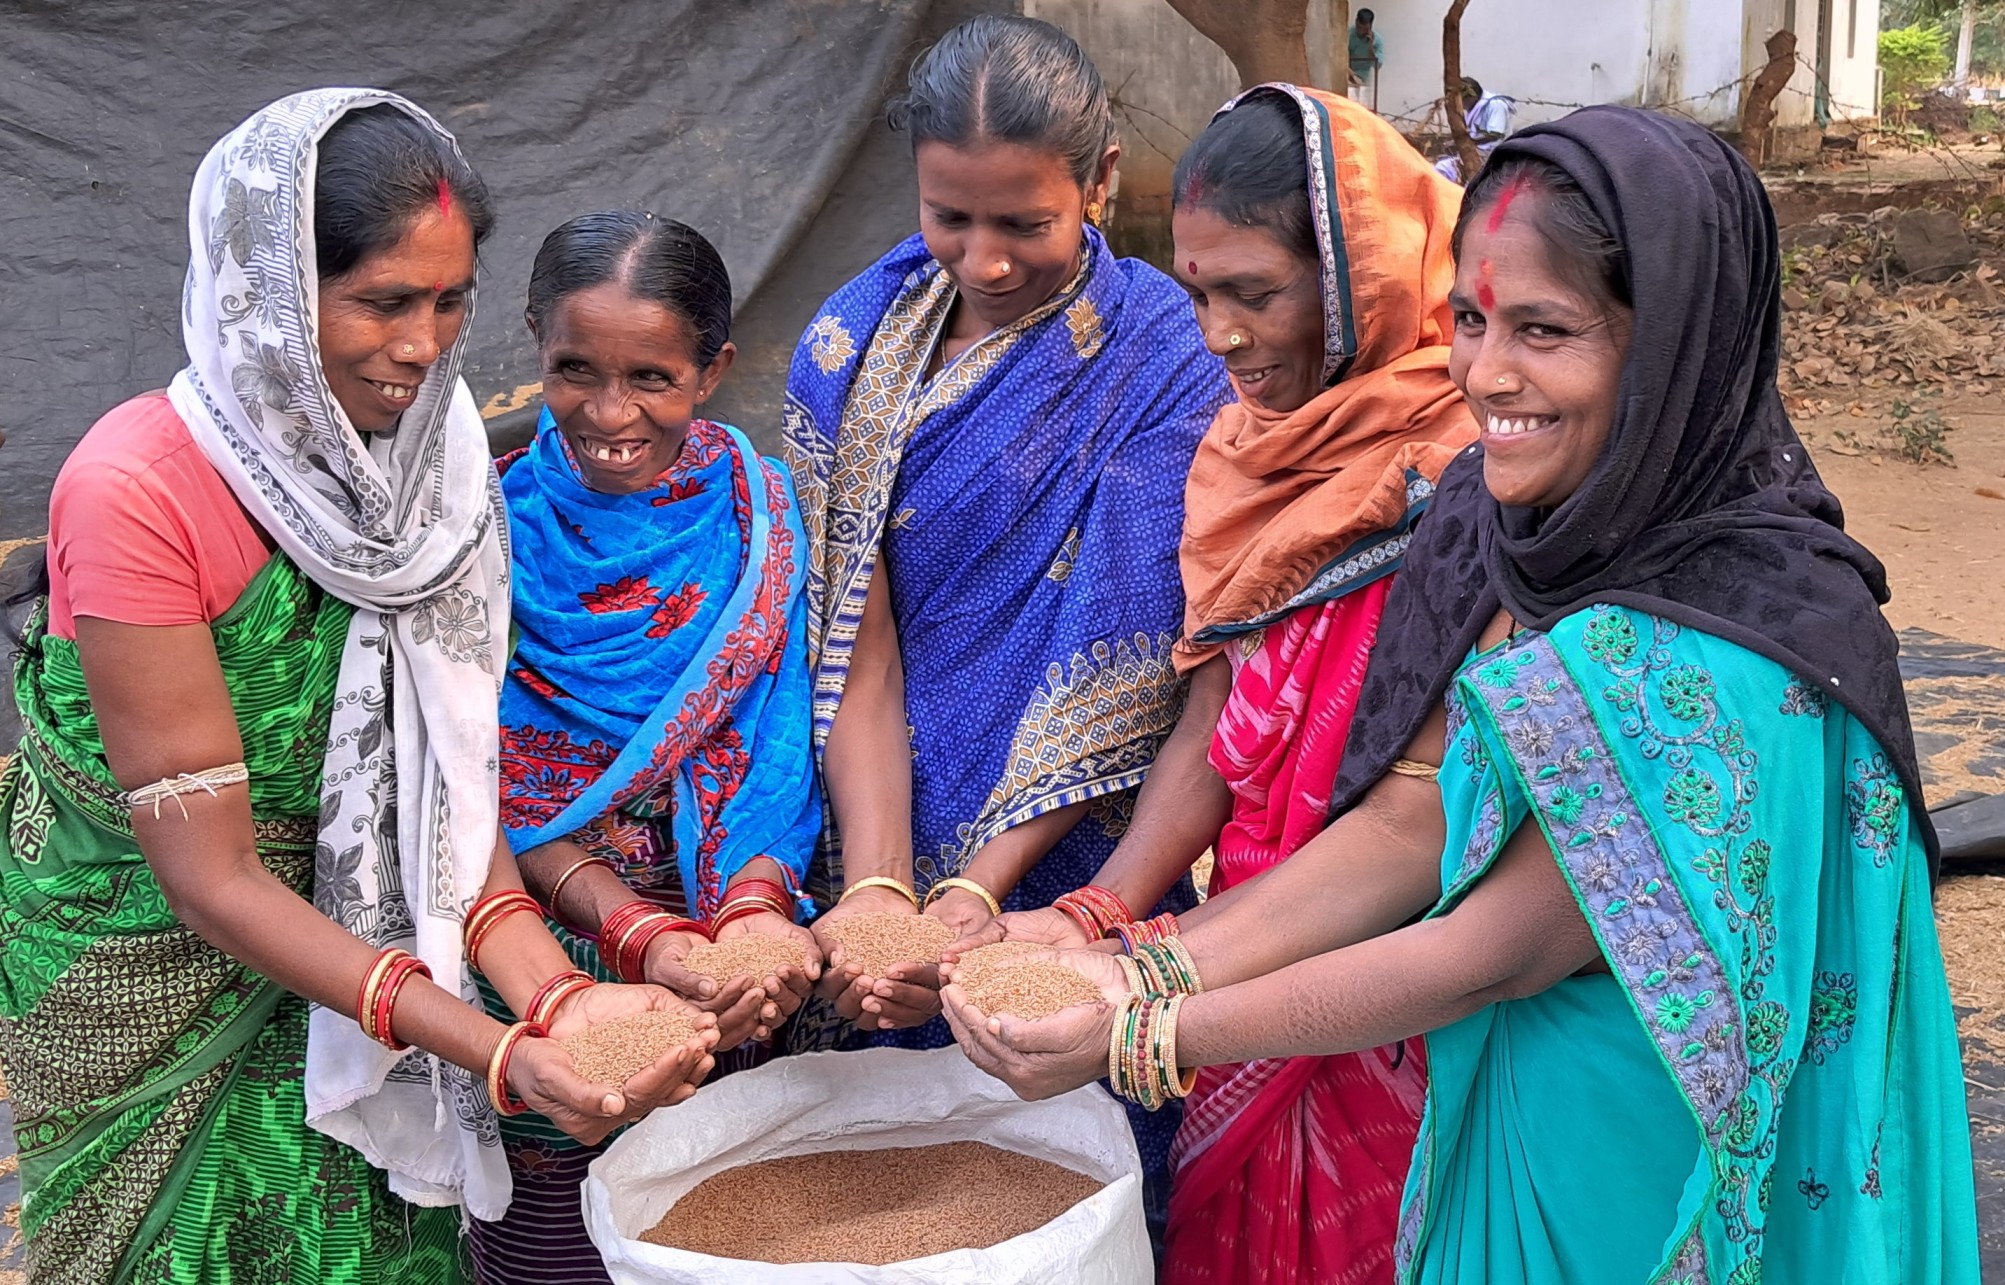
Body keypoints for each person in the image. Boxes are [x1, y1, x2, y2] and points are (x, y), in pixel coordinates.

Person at [943, 106, 1981, 1284]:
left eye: (1545, 329)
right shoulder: (1505, 530)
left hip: (1653, 1168)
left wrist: (1141, 1031)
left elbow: (1503, 945)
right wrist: (1141, 960)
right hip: (1507, 1115)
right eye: (1471, 320)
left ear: (1677, 342)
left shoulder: (1740, 635)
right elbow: (1407, 817)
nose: (1486, 376)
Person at [0, 92, 711, 1283]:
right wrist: (492, 1049)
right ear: (268, 293)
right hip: (155, 973)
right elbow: (212, 877)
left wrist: (550, 1004)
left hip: (379, 975)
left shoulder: (434, 480)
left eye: (450, 301)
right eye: (382, 301)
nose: (424, 346)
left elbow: (446, 797)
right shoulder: (136, 489)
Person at [969, 84, 1475, 1285]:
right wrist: (1101, 908)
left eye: (1256, 293)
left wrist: (1148, 983)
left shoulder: (1475, 462)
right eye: (1198, 293)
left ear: (1368, 280)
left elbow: (1422, 819)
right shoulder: (1250, 451)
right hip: (1243, 933)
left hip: (1399, 974)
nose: (1219, 334)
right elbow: (1220, 714)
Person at [782, 11, 1230, 1234]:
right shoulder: (850, 343)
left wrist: (980, 895)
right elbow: (850, 649)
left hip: (1077, 848)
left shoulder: (1163, 356)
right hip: (872, 799)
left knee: (1069, 1174)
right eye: (949, 217)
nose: (981, 260)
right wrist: (878, 886)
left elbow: (1123, 653)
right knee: (874, 1191)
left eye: (1023, 223)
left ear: (1099, 183)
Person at [473, 211, 821, 1283]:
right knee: (557, 1241)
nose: (609, 412)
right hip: (543, 955)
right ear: (534, 341)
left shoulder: (760, 516)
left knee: (726, 1226)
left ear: (713, 369)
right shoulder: (482, 529)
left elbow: (777, 737)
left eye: (652, 378)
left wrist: (757, 920)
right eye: (574, 370)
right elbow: (483, 792)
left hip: (731, 961)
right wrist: (632, 937)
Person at [1434, 78, 1516, 183]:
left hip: (1492, 156)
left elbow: (1494, 135)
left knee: (1449, 169)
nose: (1461, 104)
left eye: (1462, 100)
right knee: (1442, 168)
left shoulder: (1495, 105)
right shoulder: (1473, 108)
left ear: (1471, 96)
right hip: (1478, 152)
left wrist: (1466, 143)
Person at [1349, 9, 1384, 105]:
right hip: (1348, 77)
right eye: (1359, 28)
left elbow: (1377, 66)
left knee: (1365, 107)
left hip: (1365, 80)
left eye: (1364, 30)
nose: (1361, 32)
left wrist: (1370, 47)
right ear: (1356, 22)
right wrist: (1352, 75)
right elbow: (1340, 59)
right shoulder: (1348, 35)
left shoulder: (1377, 40)